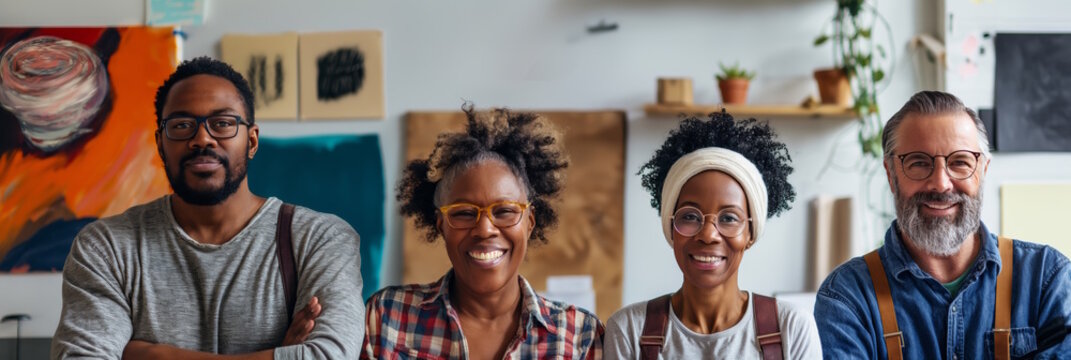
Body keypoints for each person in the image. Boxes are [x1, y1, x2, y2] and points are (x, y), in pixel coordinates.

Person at [51, 56, 365, 359]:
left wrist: (156, 356)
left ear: (252, 141)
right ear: (160, 143)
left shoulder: (320, 239)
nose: (202, 138)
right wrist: (279, 355)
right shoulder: (106, 247)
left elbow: (330, 355)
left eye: (223, 123)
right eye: (182, 124)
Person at [814, 91, 1071, 359]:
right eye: (918, 163)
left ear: (983, 171)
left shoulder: (1046, 279)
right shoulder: (848, 297)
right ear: (891, 175)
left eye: (960, 162)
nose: (940, 183)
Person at [362, 105, 603, 359]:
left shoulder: (580, 337)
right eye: (464, 213)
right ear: (440, 224)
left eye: (505, 212)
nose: (485, 229)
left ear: (530, 222)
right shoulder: (387, 318)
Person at [604, 111, 822, 359]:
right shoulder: (629, 331)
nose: (708, 234)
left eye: (729, 218)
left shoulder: (791, 329)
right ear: (670, 227)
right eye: (690, 216)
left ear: (750, 233)